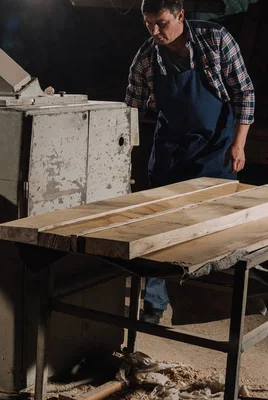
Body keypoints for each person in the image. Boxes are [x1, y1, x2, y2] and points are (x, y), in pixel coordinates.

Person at [125, 0, 254, 324]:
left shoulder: (216, 40)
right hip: (172, 149)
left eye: (162, 23)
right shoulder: (146, 58)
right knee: (160, 227)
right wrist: (123, 157)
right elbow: (129, 112)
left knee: (215, 226)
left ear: (181, 16)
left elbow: (244, 93)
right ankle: (153, 306)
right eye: (149, 24)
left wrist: (239, 144)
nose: (156, 31)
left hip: (216, 147)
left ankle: (218, 302)